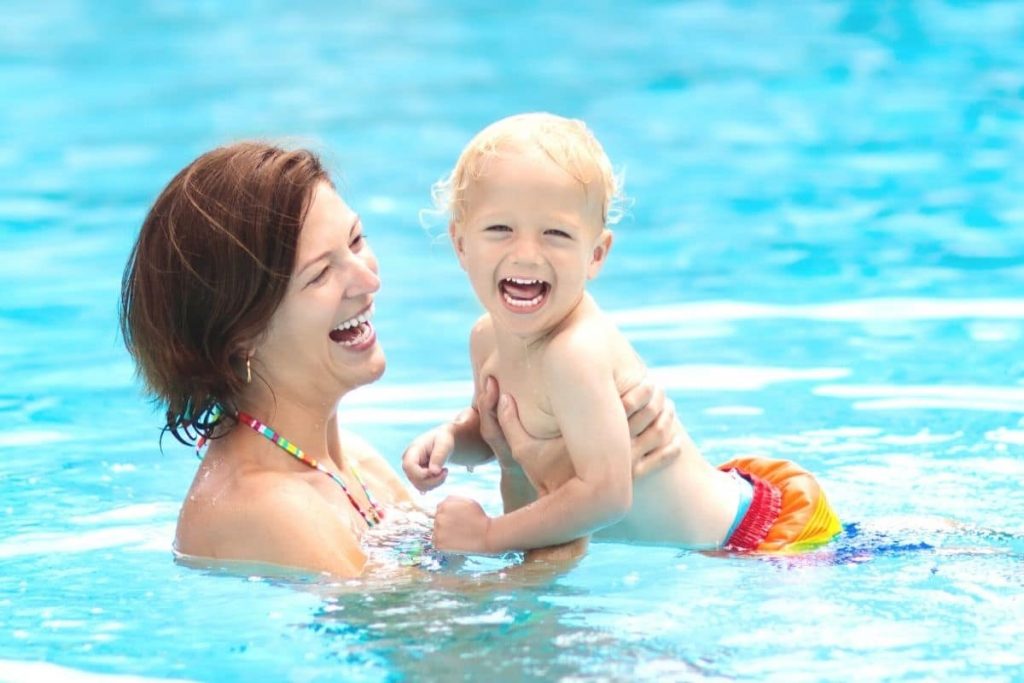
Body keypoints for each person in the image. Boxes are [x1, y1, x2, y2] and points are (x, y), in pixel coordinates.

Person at [119, 141, 683, 577]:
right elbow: (448, 656)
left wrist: (530, 458)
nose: (368, 279)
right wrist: (578, 512)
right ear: (239, 336)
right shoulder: (263, 508)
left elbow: (456, 599)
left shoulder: (350, 463)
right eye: (321, 274)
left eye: (358, 240)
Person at [402, 113, 843, 557]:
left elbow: (607, 496)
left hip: (759, 539)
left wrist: (489, 537)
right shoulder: (486, 339)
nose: (526, 254)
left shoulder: (574, 353)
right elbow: (503, 431)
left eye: (555, 233)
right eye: (500, 229)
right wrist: (453, 440)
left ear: (595, 255)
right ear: (460, 243)